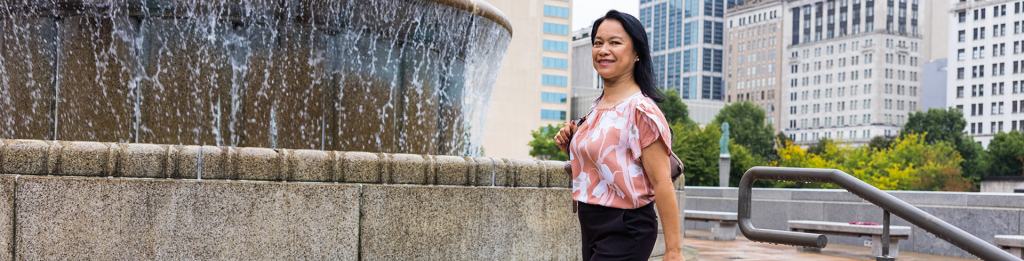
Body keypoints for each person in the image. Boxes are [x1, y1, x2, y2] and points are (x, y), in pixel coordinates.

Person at [554, 10, 684, 261]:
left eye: (615, 42)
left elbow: (662, 183)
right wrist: (572, 144)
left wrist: (673, 251)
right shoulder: (597, 106)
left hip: (626, 227)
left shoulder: (641, 111)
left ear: (636, 53)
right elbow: (606, 162)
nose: (603, 50)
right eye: (598, 43)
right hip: (591, 222)